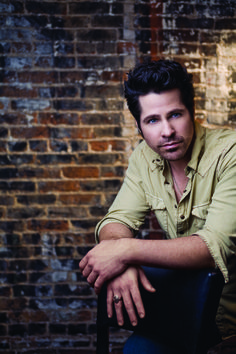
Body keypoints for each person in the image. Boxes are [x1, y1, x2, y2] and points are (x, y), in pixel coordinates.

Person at [79, 60, 236, 353]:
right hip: (184, 312)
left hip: (229, 323)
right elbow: (117, 221)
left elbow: (212, 248)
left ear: (192, 112)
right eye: (152, 120)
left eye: (175, 114)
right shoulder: (144, 158)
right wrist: (122, 264)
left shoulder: (231, 154)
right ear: (139, 126)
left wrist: (124, 251)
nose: (167, 131)